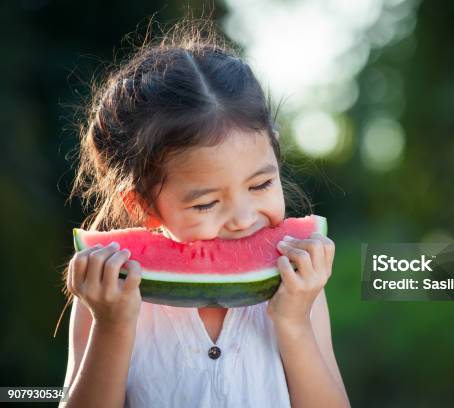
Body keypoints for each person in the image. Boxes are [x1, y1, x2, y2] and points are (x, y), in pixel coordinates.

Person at [59, 18, 350, 408]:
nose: (244, 218)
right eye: (206, 204)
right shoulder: (106, 293)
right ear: (143, 206)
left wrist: (293, 323)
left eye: (261, 185)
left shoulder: (300, 285)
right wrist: (112, 327)